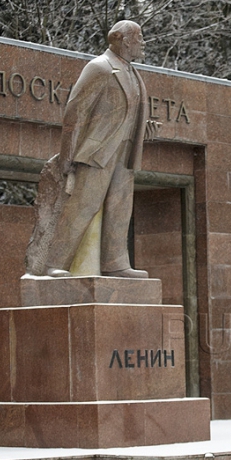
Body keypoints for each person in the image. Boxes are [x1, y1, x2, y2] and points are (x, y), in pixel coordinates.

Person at [42, 20, 159, 278]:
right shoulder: (99, 68)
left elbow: (124, 113)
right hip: (97, 153)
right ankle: (54, 263)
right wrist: (67, 157)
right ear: (123, 40)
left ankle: (115, 264)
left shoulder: (133, 73)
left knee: (120, 208)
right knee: (83, 206)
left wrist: (141, 128)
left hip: (125, 153)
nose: (143, 42)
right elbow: (75, 113)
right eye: (139, 37)